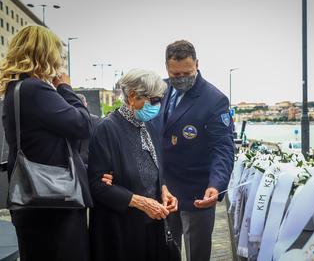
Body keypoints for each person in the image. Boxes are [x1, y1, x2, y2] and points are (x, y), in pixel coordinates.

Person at [0, 26, 92, 261]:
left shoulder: (17, 89)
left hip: (34, 198)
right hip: (54, 199)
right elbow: (83, 125)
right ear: (45, 54)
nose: (60, 61)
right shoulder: (35, 89)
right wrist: (65, 86)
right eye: (58, 55)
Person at [154, 40, 235, 261]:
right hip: (163, 189)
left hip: (197, 191)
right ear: (167, 68)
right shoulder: (159, 90)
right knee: (165, 250)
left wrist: (215, 185)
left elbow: (223, 147)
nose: (181, 79)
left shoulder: (214, 99)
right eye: (175, 74)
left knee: (197, 253)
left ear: (197, 64)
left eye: (187, 73)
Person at [88, 69, 178, 261]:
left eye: (160, 99)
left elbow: (153, 168)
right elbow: (97, 185)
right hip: (122, 229)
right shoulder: (107, 129)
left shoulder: (149, 127)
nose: (157, 105)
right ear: (132, 96)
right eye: (153, 99)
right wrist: (141, 202)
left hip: (153, 225)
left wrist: (164, 189)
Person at [76, 93, 100, 167]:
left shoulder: (69, 119)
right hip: (93, 160)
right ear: (85, 104)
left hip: (75, 162)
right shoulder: (96, 119)